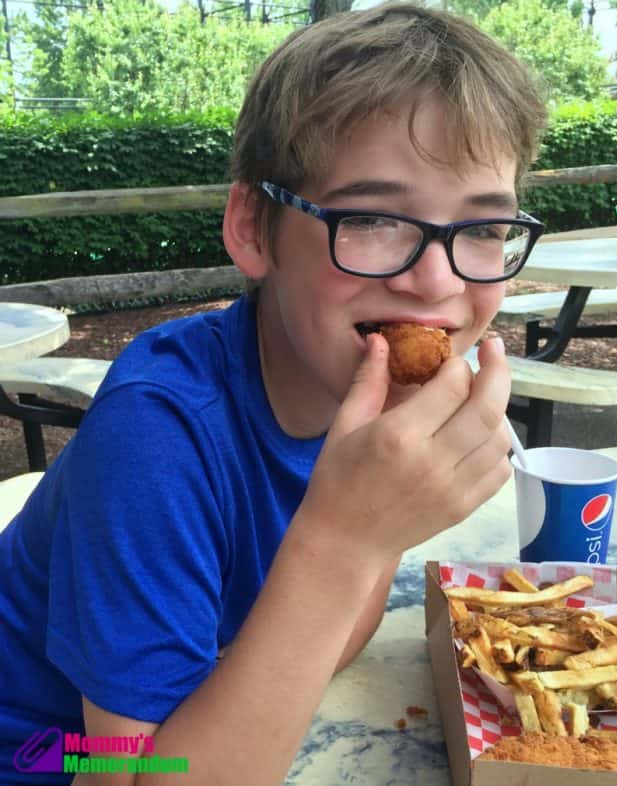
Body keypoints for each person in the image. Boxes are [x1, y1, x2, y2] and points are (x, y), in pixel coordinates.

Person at [0, 3, 547, 784]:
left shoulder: (355, 396)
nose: (437, 282)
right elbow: (136, 771)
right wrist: (348, 540)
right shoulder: (156, 435)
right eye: (375, 220)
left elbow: (323, 645)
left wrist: (372, 525)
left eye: (484, 229)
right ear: (254, 229)